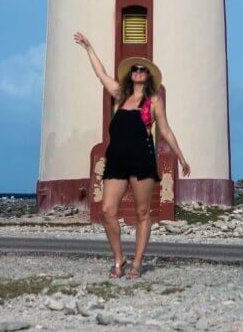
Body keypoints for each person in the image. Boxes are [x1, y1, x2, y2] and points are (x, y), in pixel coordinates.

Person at [74, 32, 191, 280]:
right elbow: (101, 74)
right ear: (131, 74)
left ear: (148, 76)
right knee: (107, 211)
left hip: (142, 159)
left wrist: (180, 156)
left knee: (142, 213)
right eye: (135, 69)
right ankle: (119, 258)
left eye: (143, 70)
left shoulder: (153, 100)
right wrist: (89, 48)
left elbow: (166, 130)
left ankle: (136, 263)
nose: (138, 71)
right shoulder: (120, 94)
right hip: (116, 158)